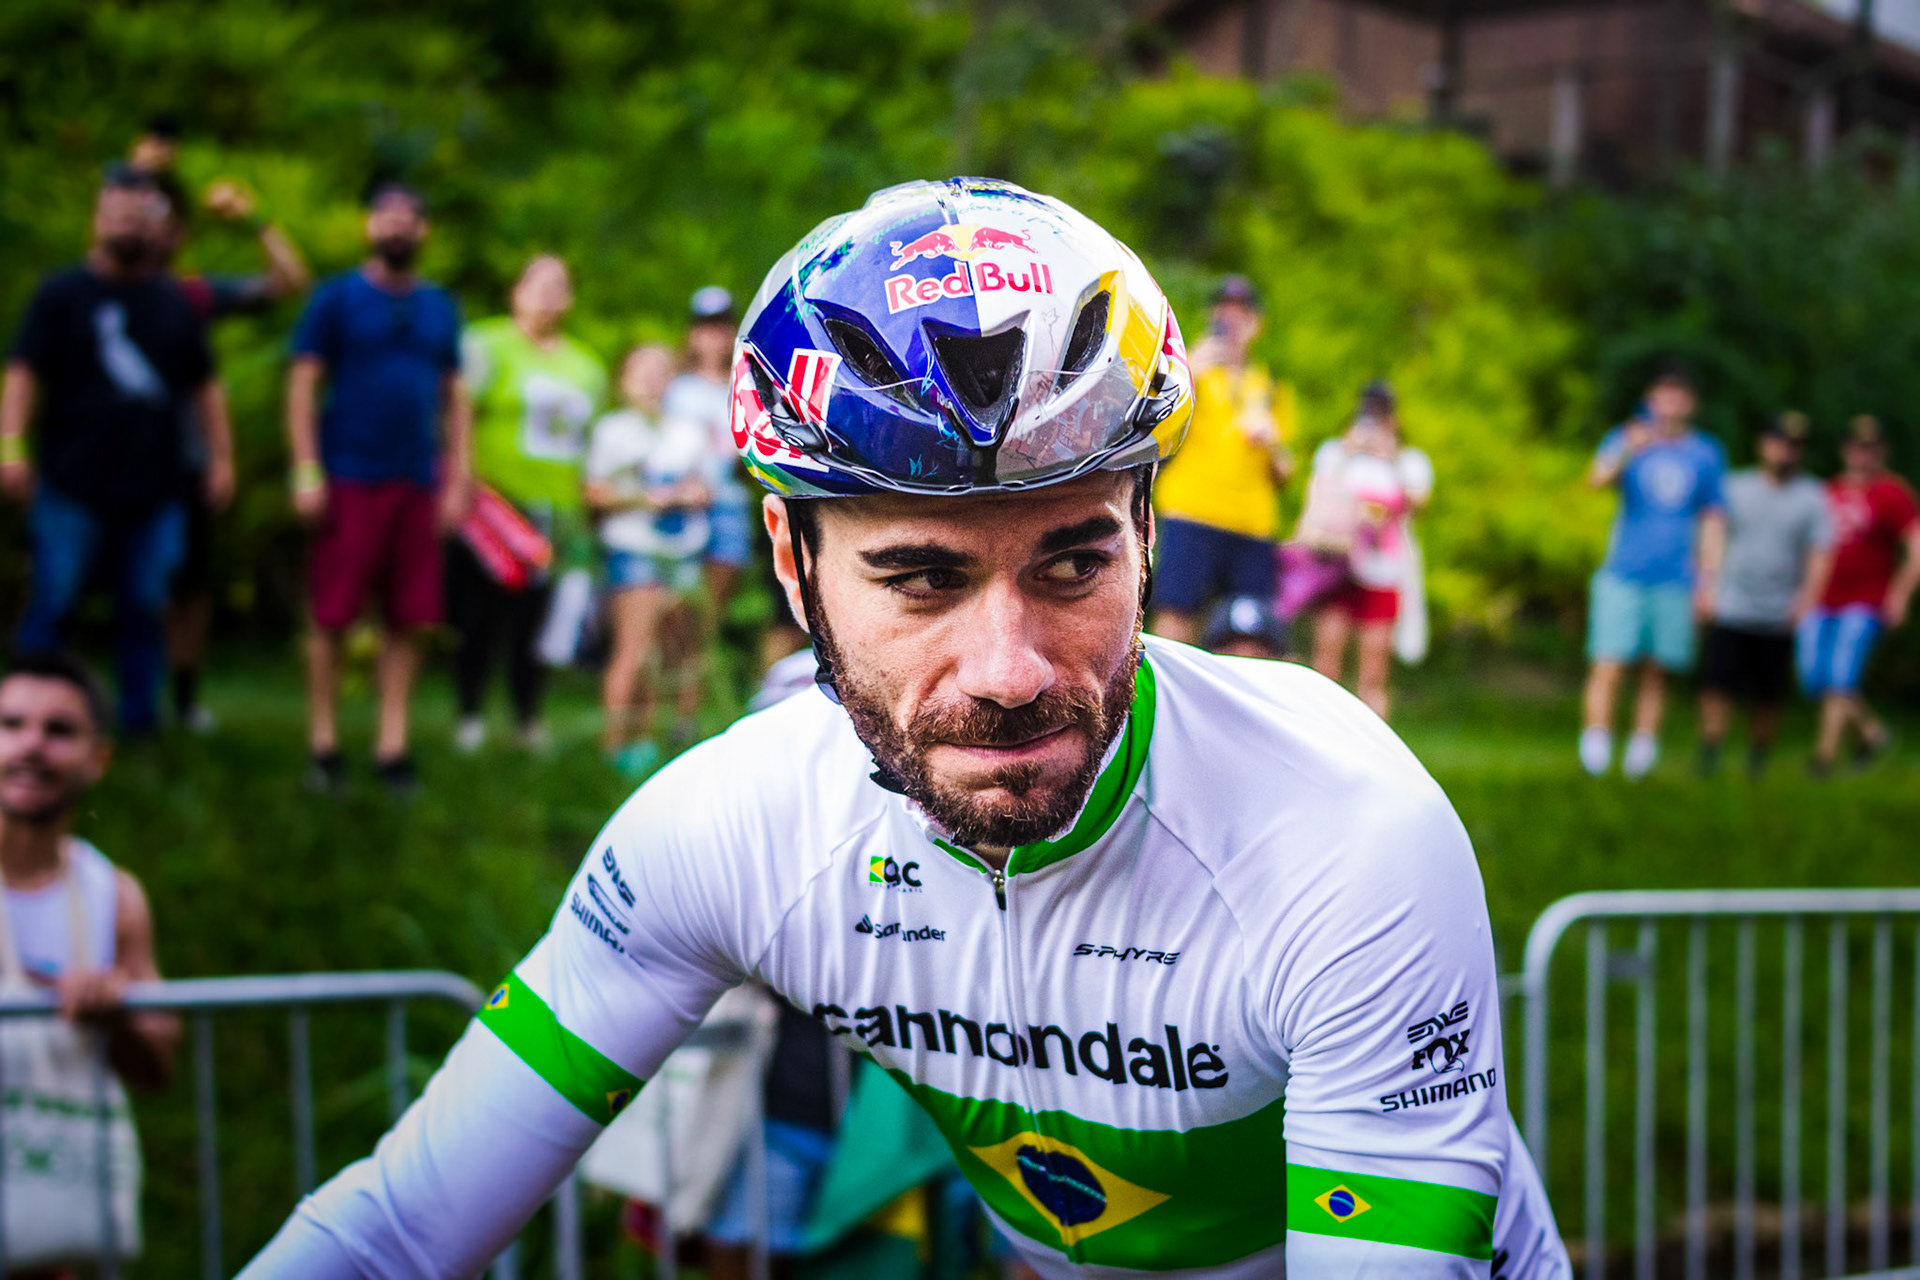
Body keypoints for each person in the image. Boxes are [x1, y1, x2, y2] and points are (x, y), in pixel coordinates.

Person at [242, 178, 1568, 1279]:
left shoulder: (1341, 835)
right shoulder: (734, 826)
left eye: (1072, 567)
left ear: (1149, 537)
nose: (1008, 671)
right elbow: (401, 1231)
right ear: (789, 554)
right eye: (922, 578)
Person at [1, 165, 234, 736]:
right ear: (97, 218)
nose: (127, 224)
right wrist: (11, 445)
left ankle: (137, 727)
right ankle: (25, 721)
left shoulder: (173, 301)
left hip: (155, 488)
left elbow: (205, 386)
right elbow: (24, 372)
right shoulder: (62, 294)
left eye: (139, 214)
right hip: (70, 482)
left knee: (144, 607)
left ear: (156, 225)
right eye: (117, 212)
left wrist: (221, 458)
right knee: (54, 602)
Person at [286, 182, 470, 793]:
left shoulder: (439, 305)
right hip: (347, 475)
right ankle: (323, 743)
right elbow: (304, 382)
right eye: (386, 215)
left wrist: (458, 478)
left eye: (409, 217)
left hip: (417, 481)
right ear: (369, 225)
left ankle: (392, 746)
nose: (397, 226)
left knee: (409, 619)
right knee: (332, 614)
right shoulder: (336, 298)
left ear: (423, 232)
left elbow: (454, 395)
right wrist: (307, 468)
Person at [0, 653, 179, 1280]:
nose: (31, 745)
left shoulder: (112, 895)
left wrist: (117, 1011)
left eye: (59, 730)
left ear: (97, 758)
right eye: (12, 723)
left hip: (52, 1228)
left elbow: (160, 1061)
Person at [141, 162, 312, 733]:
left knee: (186, 586)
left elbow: (289, 281)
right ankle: (124, 709)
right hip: (96, 469)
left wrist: (254, 220)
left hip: (180, 462)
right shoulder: (89, 286)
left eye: (164, 217)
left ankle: (180, 701)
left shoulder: (191, 294)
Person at [452, 255, 607, 752]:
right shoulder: (483, 344)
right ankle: (470, 714)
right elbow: (457, 415)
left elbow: (590, 445)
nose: (546, 295)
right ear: (516, 290)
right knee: (479, 615)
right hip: (492, 507)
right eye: (536, 283)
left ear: (569, 299)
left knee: (536, 621)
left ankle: (527, 717)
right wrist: (458, 483)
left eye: (558, 286)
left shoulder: (587, 367)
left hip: (555, 513)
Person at [1578, 365, 1725, 780]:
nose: (1671, 402)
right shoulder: (1627, 439)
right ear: (1651, 397)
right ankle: (1595, 749)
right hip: (1623, 570)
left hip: (1676, 577)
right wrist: (1629, 447)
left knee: (1657, 668)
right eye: (1664, 392)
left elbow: (1713, 519)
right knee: (1608, 662)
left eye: (1680, 394)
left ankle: (1641, 754)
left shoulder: (1705, 454)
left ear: (1690, 403)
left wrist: (1708, 579)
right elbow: (1596, 479)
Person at [1148, 275, 1294, 650]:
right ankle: (1168, 701)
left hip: (1251, 523)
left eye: (1241, 314)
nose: (1231, 322)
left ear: (1255, 324)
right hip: (1192, 511)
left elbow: (1285, 474)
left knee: (1250, 632)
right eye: (1224, 312)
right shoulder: (1188, 371)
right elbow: (1154, 430)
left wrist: (1273, 442)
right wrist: (1189, 371)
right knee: (1177, 614)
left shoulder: (1271, 386)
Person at [587, 344, 713, 778]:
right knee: (634, 648)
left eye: (659, 370)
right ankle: (612, 746)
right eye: (640, 370)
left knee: (669, 652)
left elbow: (704, 489)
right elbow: (595, 493)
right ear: (623, 380)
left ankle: (643, 741)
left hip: (682, 553)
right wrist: (644, 498)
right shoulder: (612, 431)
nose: (650, 379)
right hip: (634, 550)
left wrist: (688, 495)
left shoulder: (687, 432)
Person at [1694, 413, 1831, 778]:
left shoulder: (1812, 496)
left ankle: (1758, 760)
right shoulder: (1735, 486)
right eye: (1778, 441)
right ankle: (1709, 753)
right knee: (1717, 684)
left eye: (1793, 445)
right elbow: (1714, 535)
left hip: (1780, 610)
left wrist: (1806, 602)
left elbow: (1819, 555)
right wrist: (1707, 586)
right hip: (1733, 604)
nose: (1784, 450)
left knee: (1769, 694)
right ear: (1763, 443)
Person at [1298, 381, 1433, 719]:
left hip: (1383, 571)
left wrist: (1390, 457)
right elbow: (1318, 495)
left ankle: (1372, 738)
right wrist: (1350, 450)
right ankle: (1319, 728)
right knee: (1326, 660)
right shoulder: (1336, 451)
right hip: (1338, 566)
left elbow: (1419, 502)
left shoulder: (1408, 461)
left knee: (1374, 669)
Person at [1799, 414, 1920, 776]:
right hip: (1821, 598)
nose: (1861, 454)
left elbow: (1916, 546)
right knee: (1813, 676)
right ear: (1844, 450)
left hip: (1865, 600)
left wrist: (1899, 595)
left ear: (1881, 452)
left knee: (1840, 675)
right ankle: (1872, 732)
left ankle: (1823, 759)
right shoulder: (1828, 491)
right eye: (1855, 446)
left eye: (1869, 448)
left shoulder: (1891, 493)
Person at [667, 287, 752, 623]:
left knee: (708, 614)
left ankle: (696, 675)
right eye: (705, 328)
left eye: (721, 328)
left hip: (729, 504)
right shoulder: (674, 388)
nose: (713, 337)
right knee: (674, 608)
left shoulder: (747, 385)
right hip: (679, 504)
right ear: (691, 334)